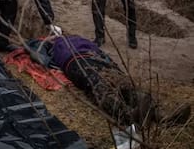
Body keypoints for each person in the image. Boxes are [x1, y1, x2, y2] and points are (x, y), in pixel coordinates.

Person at [25, 35, 191, 127]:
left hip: (97, 59)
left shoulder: (78, 38)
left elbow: (99, 49)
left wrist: (112, 64)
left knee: (124, 84)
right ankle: (129, 116)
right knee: (99, 85)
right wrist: (46, 42)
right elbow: (36, 53)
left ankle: (161, 116)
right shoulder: (50, 45)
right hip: (76, 62)